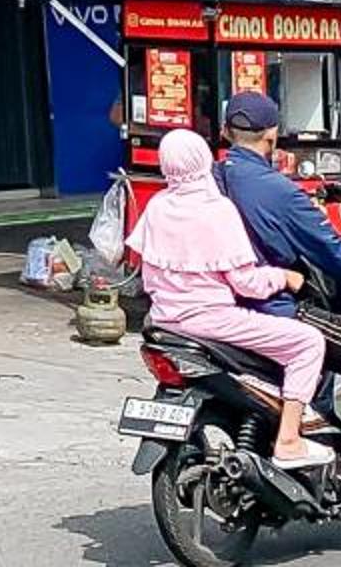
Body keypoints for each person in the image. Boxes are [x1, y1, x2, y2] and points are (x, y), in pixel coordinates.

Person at [210, 92, 341, 499]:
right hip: (275, 309)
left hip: (214, 311)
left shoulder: (209, 182)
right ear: (272, 136)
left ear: (225, 132)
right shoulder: (279, 191)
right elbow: (332, 251)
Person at [132, 130, 327, 467]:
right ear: (203, 160)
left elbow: (144, 270)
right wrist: (284, 277)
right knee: (308, 343)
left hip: (164, 321)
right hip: (213, 321)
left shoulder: (157, 207)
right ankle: (289, 440)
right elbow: (247, 283)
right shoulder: (217, 210)